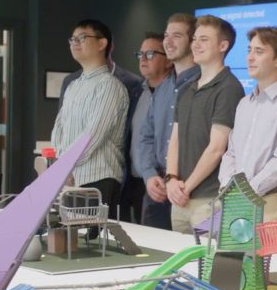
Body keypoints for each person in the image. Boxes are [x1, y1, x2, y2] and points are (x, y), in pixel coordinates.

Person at [218, 26, 277, 221]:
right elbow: (232, 152)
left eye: (259, 51)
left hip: (272, 204)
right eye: (249, 50)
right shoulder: (244, 104)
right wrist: (229, 187)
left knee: (269, 253)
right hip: (237, 203)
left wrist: (245, 192)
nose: (250, 58)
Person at [164, 15, 244, 233]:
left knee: (206, 264)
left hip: (209, 198)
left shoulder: (229, 88)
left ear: (223, 45)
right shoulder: (187, 89)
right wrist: (171, 179)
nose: (196, 45)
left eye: (204, 39)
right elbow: (175, 139)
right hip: (179, 197)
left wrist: (186, 187)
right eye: (195, 39)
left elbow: (217, 147)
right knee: (180, 263)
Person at [50, 19, 129, 215]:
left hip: (98, 179)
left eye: (82, 38)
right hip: (68, 177)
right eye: (72, 39)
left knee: (90, 242)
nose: (75, 43)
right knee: (68, 239)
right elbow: (58, 128)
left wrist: (66, 167)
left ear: (102, 44)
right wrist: (62, 167)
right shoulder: (73, 85)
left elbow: (93, 135)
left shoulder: (109, 85)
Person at [134, 13, 201, 229]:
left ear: (193, 42)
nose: (168, 42)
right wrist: (149, 175)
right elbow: (145, 136)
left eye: (177, 36)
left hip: (190, 191)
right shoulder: (162, 88)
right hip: (156, 189)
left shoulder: (205, 85)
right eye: (166, 35)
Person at [123, 31, 169, 223]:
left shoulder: (174, 94)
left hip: (159, 182)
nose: (143, 59)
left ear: (168, 60)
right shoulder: (136, 92)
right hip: (133, 179)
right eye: (140, 54)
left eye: (150, 54)